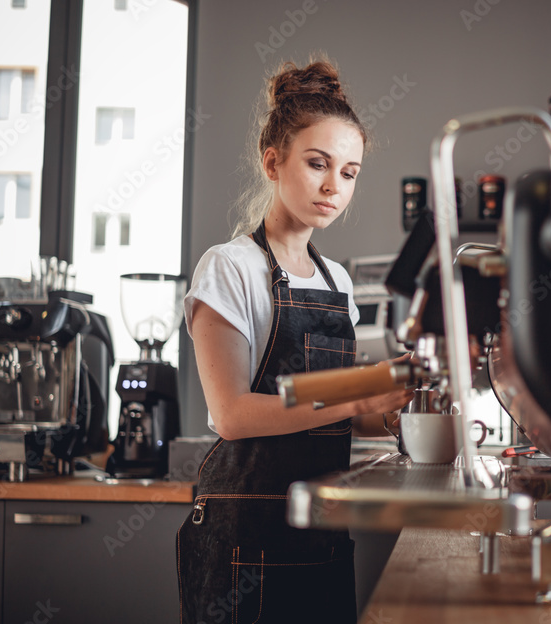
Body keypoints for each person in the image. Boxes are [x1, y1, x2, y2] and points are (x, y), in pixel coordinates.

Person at [176, 58, 413, 624]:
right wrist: (359, 397)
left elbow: (340, 419)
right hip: (244, 544)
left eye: (350, 173)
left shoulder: (339, 281)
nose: (334, 186)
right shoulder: (229, 267)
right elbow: (232, 414)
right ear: (273, 162)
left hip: (322, 535)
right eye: (317, 164)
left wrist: (399, 401)